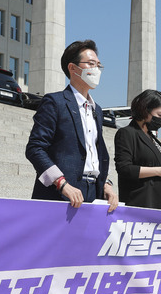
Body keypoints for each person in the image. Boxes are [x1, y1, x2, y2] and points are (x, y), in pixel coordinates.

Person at [25, 40, 118, 212]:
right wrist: (61, 183)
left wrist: (107, 185)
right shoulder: (55, 102)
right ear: (73, 68)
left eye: (99, 65)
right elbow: (35, 148)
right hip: (61, 193)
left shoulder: (97, 109)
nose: (96, 70)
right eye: (91, 64)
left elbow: (94, 154)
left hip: (93, 192)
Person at [114, 89, 161, 210]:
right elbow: (124, 168)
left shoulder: (152, 137)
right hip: (145, 206)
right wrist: (158, 171)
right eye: (159, 115)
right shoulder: (127, 133)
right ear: (145, 110)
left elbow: (160, 169)